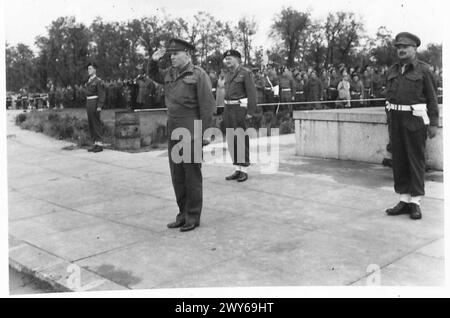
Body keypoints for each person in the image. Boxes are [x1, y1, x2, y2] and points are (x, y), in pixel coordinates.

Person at [150, 38, 214, 232]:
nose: (172, 58)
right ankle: (182, 214)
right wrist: (153, 61)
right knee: (177, 174)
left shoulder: (198, 74)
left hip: (191, 127)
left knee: (191, 174)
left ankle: (193, 216)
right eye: (170, 55)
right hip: (174, 126)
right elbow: (153, 74)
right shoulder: (169, 74)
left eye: (176, 54)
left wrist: (204, 133)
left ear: (188, 54)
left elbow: (207, 106)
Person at [384, 32, 439, 220]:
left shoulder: (424, 70)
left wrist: (434, 124)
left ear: (415, 49)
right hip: (396, 122)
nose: (401, 50)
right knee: (399, 160)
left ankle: (415, 202)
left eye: (405, 47)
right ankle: (404, 198)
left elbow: (432, 98)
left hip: (414, 122)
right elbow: (388, 99)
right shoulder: (391, 70)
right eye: (398, 47)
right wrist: (389, 122)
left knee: (415, 160)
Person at [222, 49, 257, 183]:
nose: (227, 61)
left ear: (237, 59)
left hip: (239, 109)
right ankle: (236, 168)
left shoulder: (245, 73)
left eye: (230, 58)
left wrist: (250, 112)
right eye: (226, 59)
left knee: (241, 139)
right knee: (231, 140)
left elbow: (252, 94)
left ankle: (244, 170)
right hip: (228, 109)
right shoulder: (228, 74)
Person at [84, 62, 106, 153]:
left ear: (94, 70)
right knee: (91, 124)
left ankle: (99, 144)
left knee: (96, 123)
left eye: (90, 69)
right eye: (88, 69)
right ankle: (95, 144)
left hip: (95, 102)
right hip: (89, 102)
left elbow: (102, 94)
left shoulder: (98, 81)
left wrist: (100, 105)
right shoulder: (89, 81)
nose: (89, 70)